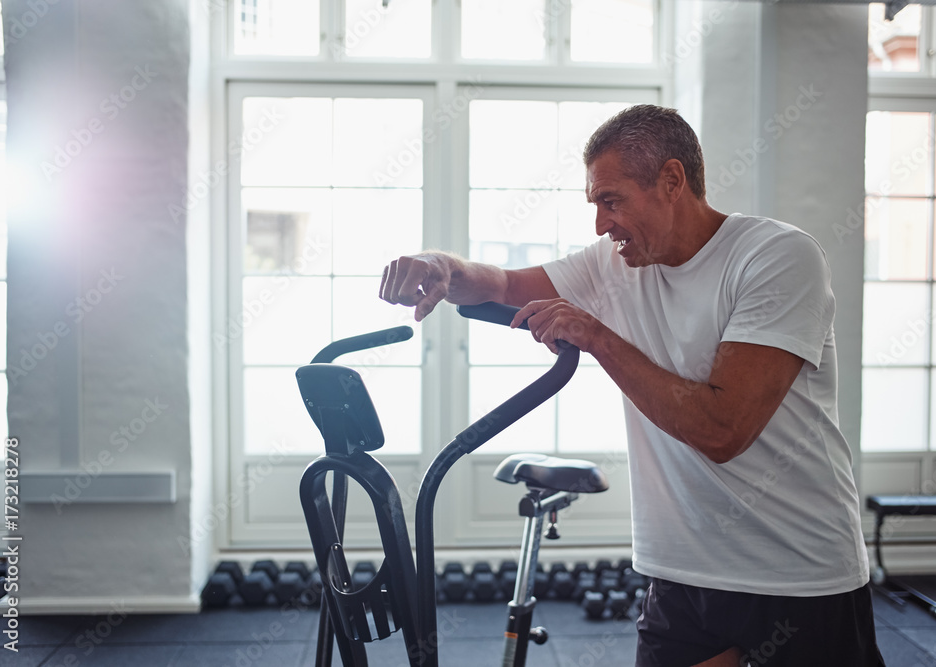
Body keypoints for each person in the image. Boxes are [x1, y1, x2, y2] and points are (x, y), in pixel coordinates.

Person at [379, 105, 884, 667]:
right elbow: (498, 285)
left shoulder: (774, 257)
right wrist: (441, 267)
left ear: (672, 181)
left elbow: (722, 430)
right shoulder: (612, 263)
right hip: (681, 571)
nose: (600, 224)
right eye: (595, 204)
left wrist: (599, 336)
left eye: (611, 201)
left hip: (796, 574)